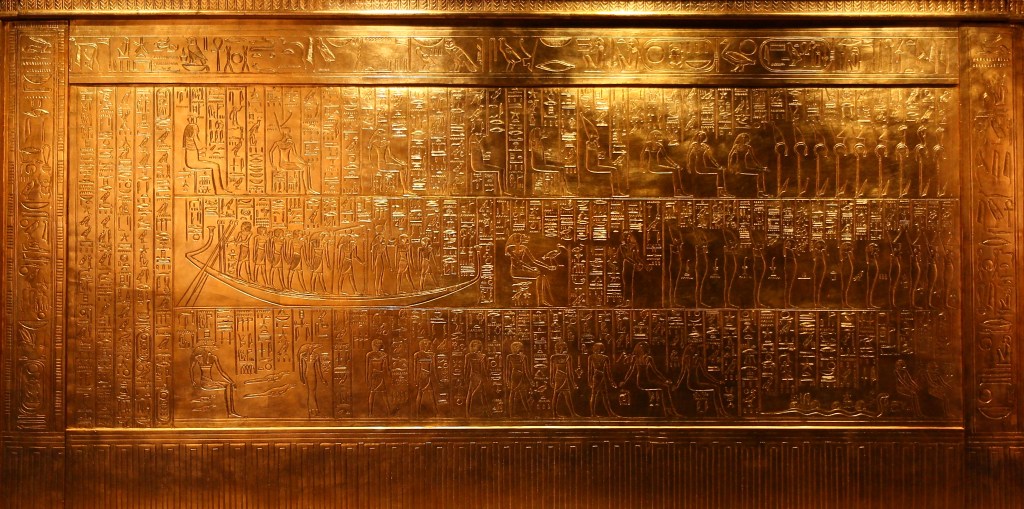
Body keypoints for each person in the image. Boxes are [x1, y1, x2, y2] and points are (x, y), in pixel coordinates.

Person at [189, 347, 240, 417]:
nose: (211, 350)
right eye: (210, 348)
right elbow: (191, 368)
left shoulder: (213, 358)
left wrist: (231, 381)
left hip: (210, 382)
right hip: (205, 383)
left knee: (229, 384)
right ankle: (230, 413)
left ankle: (231, 412)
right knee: (228, 386)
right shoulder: (198, 358)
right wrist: (192, 381)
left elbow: (221, 372)